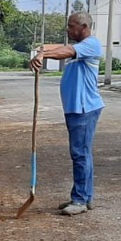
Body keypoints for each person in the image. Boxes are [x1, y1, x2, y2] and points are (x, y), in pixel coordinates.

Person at [29, 11, 104, 216]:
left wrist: (44, 54)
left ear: (84, 27)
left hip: (84, 108)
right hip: (76, 108)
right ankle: (84, 197)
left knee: (80, 153)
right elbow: (65, 50)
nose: (68, 30)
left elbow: (67, 51)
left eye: (72, 26)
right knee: (82, 153)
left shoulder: (91, 44)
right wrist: (42, 54)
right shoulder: (79, 49)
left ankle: (80, 200)